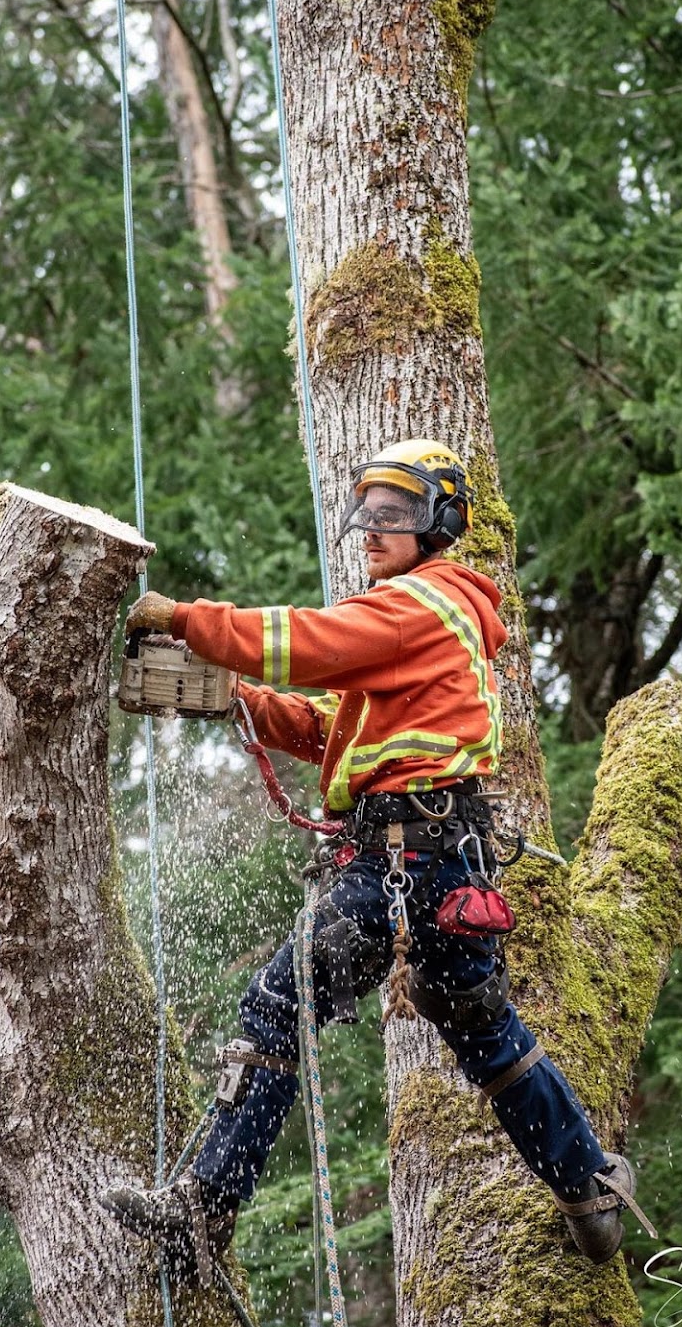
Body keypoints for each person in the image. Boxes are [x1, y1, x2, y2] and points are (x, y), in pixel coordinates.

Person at [100, 439, 651, 1280]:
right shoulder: (418, 631)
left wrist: (188, 621)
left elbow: (308, 642)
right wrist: (240, 701)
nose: (372, 529)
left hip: (408, 861)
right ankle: (588, 1186)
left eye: (395, 513)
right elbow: (332, 733)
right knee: (486, 1033)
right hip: (440, 862)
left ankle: (204, 1207)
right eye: (370, 512)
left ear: (439, 523)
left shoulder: (422, 605)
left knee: (279, 1006)